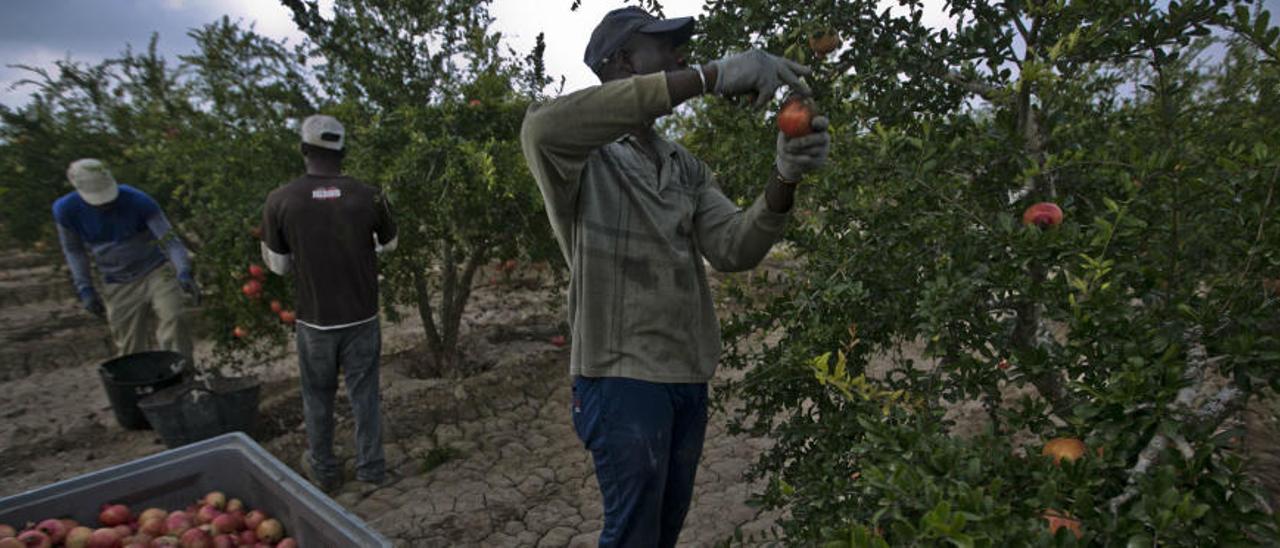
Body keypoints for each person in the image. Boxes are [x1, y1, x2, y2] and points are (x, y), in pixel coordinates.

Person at [520, 7, 830, 546]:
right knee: (634, 534)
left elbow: (734, 248)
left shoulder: (682, 164)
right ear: (619, 62)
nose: (679, 57)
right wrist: (710, 77)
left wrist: (785, 177)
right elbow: (541, 126)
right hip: (620, 377)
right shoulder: (580, 154)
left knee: (662, 530)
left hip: (685, 374)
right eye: (662, 47)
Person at [261, 114, 399, 492]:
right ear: (343, 151)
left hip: (315, 321)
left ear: (305, 150)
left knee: (318, 398)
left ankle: (323, 470)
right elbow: (389, 244)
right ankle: (372, 469)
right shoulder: (370, 195)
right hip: (361, 315)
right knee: (365, 395)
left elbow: (277, 267)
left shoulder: (281, 200)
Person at [53, 159, 199, 359]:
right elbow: (74, 251)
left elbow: (169, 240)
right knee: (129, 344)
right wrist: (85, 288)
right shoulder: (66, 210)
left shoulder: (138, 201)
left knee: (174, 318)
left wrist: (183, 270)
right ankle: (140, 383)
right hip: (116, 280)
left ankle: (182, 373)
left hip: (155, 270)